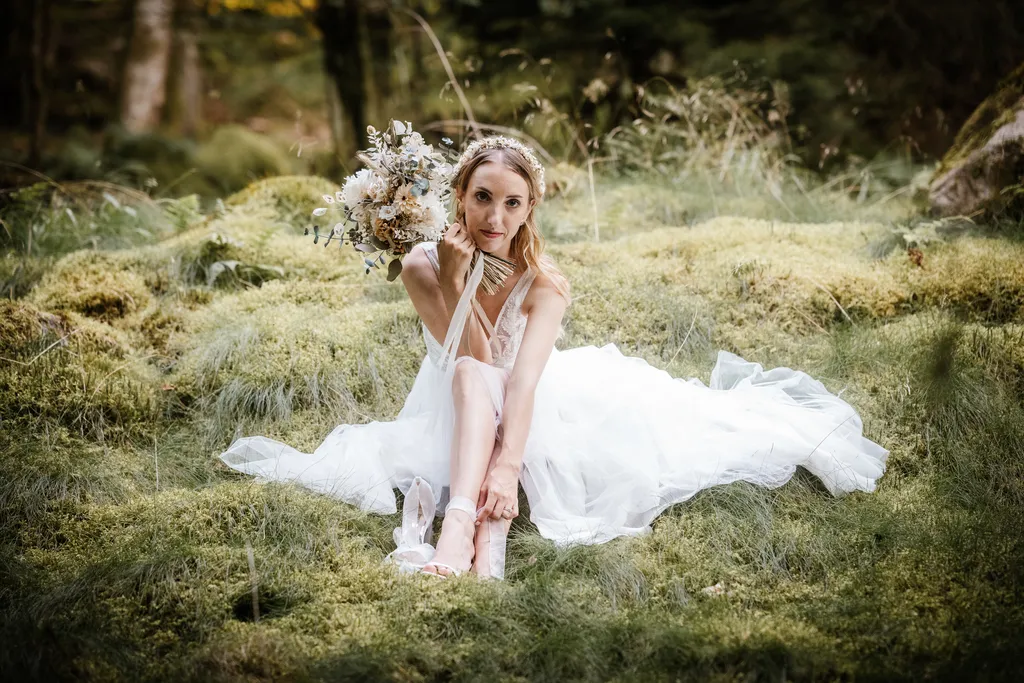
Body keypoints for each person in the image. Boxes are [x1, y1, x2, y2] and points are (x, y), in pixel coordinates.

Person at [220, 136, 888, 580]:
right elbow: (470, 358)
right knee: (464, 371)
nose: (495, 216)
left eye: (512, 202)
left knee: (483, 378)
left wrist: (508, 469)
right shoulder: (422, 266)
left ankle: (467, 525)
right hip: (453, 408)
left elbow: (521, 378)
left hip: (534, 410)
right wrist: (454, 282)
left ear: (530, 208)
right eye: (482, 197)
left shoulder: (546, 282)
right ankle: (463, 525)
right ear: (459, 197)